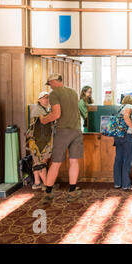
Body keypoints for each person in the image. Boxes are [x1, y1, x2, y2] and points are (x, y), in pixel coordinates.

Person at [41, 74, 83, 204]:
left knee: (56, 163)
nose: (51, 86)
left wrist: (43, 120)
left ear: (54, 82)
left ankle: (48, 193)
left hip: (63, 131)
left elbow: (56, 114)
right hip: (76, 130)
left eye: (50, 84)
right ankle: (72, 191)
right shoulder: (73, 92)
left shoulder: (54, 93)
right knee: (74, 161)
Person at [27, 91, 54, 190]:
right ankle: (47, 185)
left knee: (37, 161)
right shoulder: (38, 110)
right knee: (42, 162)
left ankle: (37, 182)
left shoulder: (41, 109)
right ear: (39, 100)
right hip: (40, 141)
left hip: (36, 140)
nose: (46, 100)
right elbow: (44, 121)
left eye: (47, 98)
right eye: (44, 98)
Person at [113, 95, 132, 191]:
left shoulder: (120, 108)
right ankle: (126, 185)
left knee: (118, 159)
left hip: (118, 136)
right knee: (128, 160)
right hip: (127, 136)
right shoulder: (129, 106)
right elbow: (126, 117)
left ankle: (117, 183)